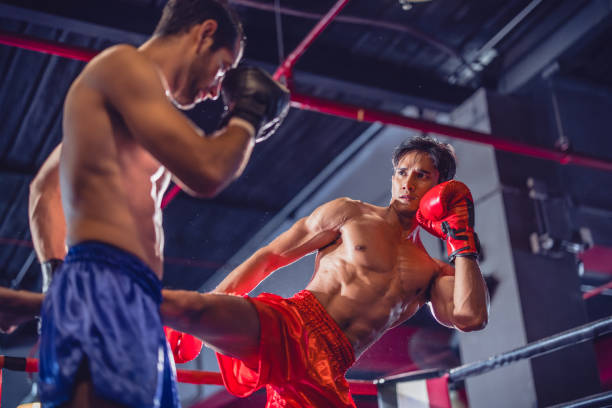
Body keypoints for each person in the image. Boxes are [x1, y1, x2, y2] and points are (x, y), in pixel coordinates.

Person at [26, 0, 290, 406]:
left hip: (137, 294)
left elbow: (44, 186)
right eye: (222, 67)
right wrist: (248, 114)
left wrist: (54, 275)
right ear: (203, 33)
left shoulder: (130, 108)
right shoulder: (121, 66)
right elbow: (207, 171)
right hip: (103, 283)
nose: (218, 89)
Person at [160, 136, 490, 407]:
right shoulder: (349, 214)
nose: (408, 183)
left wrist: (463, 242)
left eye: (422, 175)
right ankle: (116, 297)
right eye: (402, 172)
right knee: (195, 308)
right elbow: (270, 256)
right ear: (392, 178)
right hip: (293, 325)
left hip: (329, 369)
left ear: (440, 188)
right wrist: (216, 298)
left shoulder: (433, 272)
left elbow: (470, 318)